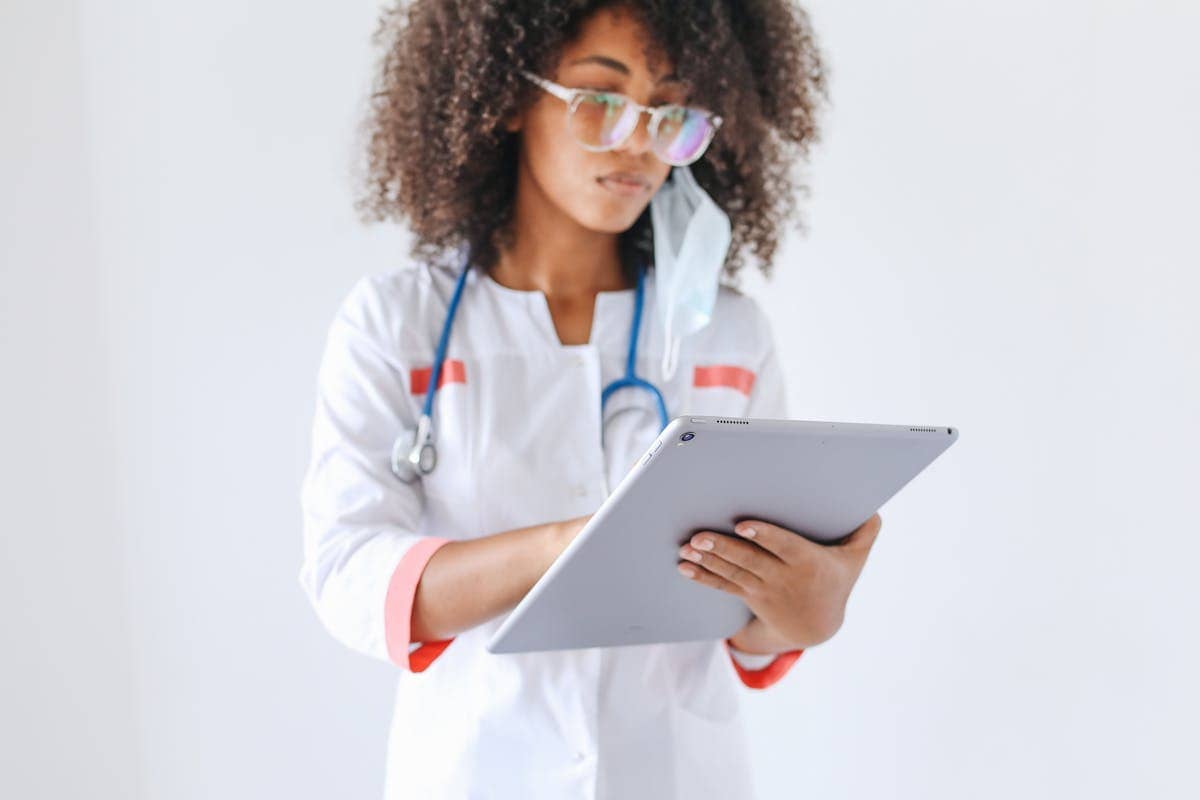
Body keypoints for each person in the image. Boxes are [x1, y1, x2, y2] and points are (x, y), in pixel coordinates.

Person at [299, 1, 882, 796]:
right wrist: (575, 545)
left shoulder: (726, 336)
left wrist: (805, 613)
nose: (639, 142)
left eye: (669, 110)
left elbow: (752, 623)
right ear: (507, 95)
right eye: (601, 99)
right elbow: (348, 576)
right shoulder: (396, 325)